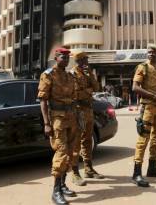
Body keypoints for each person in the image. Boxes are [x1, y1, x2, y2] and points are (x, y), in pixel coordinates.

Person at [38, 47, 78, 205]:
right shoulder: (48, 75)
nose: (66, 59)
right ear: (56, 57)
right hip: (57, 119)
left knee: (70, 152)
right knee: (61, 153)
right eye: (63, 56)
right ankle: (55, 192)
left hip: (71, 117)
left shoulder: (69, 76)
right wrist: (47, 123)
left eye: (68, 57)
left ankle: (62, 185)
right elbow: (43, 100)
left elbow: (73, 98)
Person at [131, 44, 156, 187]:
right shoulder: (143, 67)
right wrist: (155, 97)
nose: (151, 54)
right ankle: (136, 173)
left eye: (154, 52)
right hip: (147, 107)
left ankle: (152, 168)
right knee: (143, 140)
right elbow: (135, 87)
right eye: (149, 52)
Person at [70, 51, 103, 186]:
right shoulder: (73, 73)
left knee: (87, 140)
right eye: (85, 59)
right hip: (78, 111)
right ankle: (75, 172)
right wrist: (89, 91)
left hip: (88, 110)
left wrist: (91, 75)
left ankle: (88, 169)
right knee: (77, 141)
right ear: (79, 60)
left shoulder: (87, 72)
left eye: (87, 59)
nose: (87, 61)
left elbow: (97, 87)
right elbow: (76, 94)